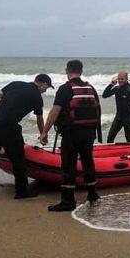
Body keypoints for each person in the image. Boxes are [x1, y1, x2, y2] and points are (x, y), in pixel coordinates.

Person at [0, 74, 54, 200]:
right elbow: (39, 119)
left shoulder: (16, 84)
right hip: (10, 127)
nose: (45, 91)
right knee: (18, 160)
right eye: (46, 88)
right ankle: (21, 191)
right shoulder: (37, 97)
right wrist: (43, 134)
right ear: (43, 84)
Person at [41, 60, 102, 212]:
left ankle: (68, 201)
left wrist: (45, 131)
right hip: (89, 133)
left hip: (71, 134)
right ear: (81, 71)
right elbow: (97, 110)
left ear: (66, 71)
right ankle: (93, 195)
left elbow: (55, 111)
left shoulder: (65, 89)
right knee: (88, 163)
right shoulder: (91, 88)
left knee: (68, 166)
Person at [102, 71, 130, 143]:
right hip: (118, 118)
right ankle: (113, 153)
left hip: (128, 119)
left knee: (129, 140)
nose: (120, 80)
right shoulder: (116, 89)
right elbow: (104, 95)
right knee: (110, 138)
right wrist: (111, 85)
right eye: (119, 79)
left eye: (122, 79)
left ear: (126, 79)